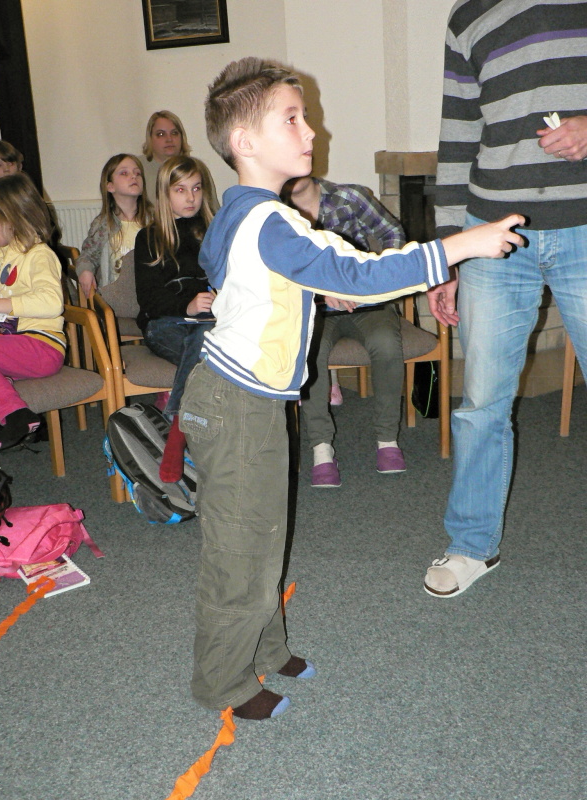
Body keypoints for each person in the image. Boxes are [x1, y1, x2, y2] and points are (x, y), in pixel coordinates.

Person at [178, 56, 523, 721]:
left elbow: (233, 271)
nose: (311, 130)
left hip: (247, 398)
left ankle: (266, 649)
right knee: (238, 547)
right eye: (291, 119)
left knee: (264, 532)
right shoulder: (272, 222)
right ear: (244, 141)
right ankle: (222, 680)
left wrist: (303, 288)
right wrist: (461, 245)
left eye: (305, 116)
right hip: (236, 404)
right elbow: (362, 273)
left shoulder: (244, 212)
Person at [424, 0, 587, 599]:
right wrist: (449, 254)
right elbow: (457, 138)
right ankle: (472, 545)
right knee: (481, 403)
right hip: (492, 232)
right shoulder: (467, 15)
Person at [283, 175, 407, 487]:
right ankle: (321, 448)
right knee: (310, 351)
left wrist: (377, 278)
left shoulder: (349, 197)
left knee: (386, 344)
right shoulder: (274, 210)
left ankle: (387, 440)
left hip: (366, 301)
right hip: (317, 309)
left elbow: (393, 233)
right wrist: (319, 292)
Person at [134, 155, 216, 483]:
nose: (190, 197)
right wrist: (187, 306)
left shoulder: (213, 233)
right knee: (209, 349)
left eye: (196, 188)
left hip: (210, 323)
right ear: (165, 194)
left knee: (207, 340)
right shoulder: (149, 237)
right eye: (180, 190)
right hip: (165, 323)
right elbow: (149, 299)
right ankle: (183, 431)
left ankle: (181, 426)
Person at [0, 172, 65, 453]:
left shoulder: (39, 255)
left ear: (8, 218)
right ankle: (13, 410)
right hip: (13, 345)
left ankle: (16, 415)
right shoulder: (3, 256)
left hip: (41, 346)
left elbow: (52, 302)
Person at [75, 154, 153, 300]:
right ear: (110, 186)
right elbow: (87, 256)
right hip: (116, 297)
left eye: (137, 173)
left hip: (149, 295)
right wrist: (85, 271)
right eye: (124, 173)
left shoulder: (154, 221)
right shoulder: (103, 224)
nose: (133, 176)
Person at [140, 110, 219, 212]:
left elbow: (214, 211)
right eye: (161, 134)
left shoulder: (196, 169)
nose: (169, 139)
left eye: (174, 133)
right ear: (150, 138)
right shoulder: (136, 168)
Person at [0, 141, 24, 266]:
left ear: (19, 167)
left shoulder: (26, 193)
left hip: (22, 249)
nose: (6, 169)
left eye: (11, 163)